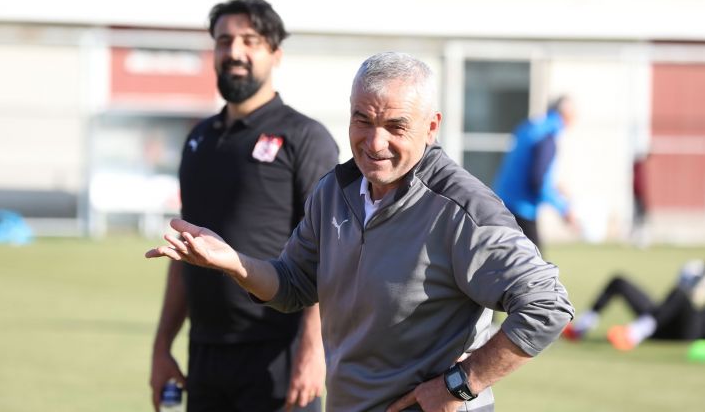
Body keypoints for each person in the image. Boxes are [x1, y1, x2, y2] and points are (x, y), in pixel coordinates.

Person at [146, 52, 574, 412]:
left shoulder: (461, 207)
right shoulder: (335, 190)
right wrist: (234, 262)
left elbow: (547, 305)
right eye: (362, 120)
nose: (374, 142)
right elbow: (292, 285)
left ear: (431, 126)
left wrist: (461, 385)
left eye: (395, 127)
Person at [149, 0, 338, 412]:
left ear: (276, 54)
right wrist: (162, 347)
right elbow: (184, 252)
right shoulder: (199, 139)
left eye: (250, 41)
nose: (235, 51)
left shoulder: (305, 138)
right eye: (224, 41)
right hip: (206, 355)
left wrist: (314, 349)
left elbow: (329, 251)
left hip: (279, 354)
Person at [492, 96, 577, 252]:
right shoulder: (548, 138)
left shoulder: (530, 127)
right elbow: (537, 181)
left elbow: (528, 168)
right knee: (535, 263)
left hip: (504, 201)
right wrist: (564, 208)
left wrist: (555, 187)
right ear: (566, 115)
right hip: (521, 209)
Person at [563, 259, 705, 351]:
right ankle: (580, 328)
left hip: (686, 333)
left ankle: (633, 334)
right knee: (619, 281)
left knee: (679, 294)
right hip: (659, 324)